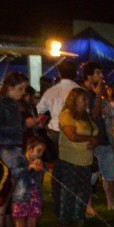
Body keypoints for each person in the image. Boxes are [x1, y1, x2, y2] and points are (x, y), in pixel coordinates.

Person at [0, 71, 37, 227]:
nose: (23, 92)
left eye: (24, 89)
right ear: (9, 87)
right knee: (5, 196)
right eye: (20, 89)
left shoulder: (17, 103)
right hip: (5, 150)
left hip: (18, 149)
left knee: (17, 195)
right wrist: (23, 126)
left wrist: (32, 124)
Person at [37, 60, 80, 216]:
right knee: (73, 169)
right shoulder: (78, 90)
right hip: (74, 133)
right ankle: (72, 207)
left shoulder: (52, 91)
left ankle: (59, 205)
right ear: (75, 73)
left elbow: (40, 110)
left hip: (55, 132)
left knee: (58, 171)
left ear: (60, 73)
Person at [58, 87, 98, 227]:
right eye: (83, 99)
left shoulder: (86, 116)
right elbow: (72, 136)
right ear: (74, 100)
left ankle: (79, 215)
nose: (86, 102)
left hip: (85, 159)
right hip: (71, 159)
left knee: (84, 189)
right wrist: (90, 139)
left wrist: (94, 141)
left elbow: (94, 134)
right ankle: (65, 219)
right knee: (69, 189)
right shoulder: (67, 115)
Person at [82, 61, 114, 215]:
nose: (102, 76)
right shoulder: (83, 93)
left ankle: (112, 206)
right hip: (91, 140)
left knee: (109, 174)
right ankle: (90, 208)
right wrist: (97, 96)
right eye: (98, 73)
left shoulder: (98, 93)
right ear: (89, 75)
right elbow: (93, 115)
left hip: (104, 139)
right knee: (90, 175)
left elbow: (106, 114)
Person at [13, 136, 46, 227]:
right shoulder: (19, 159)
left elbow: (44, 170)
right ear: (30, 148)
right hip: (21, 197)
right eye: (38, 151)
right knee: (20, 224)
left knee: (32, 225)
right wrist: (29, 167)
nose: (40, 154)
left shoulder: (38, 161)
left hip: (35, 197)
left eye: (42, 152)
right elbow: (15, 173)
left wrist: (40, 166)